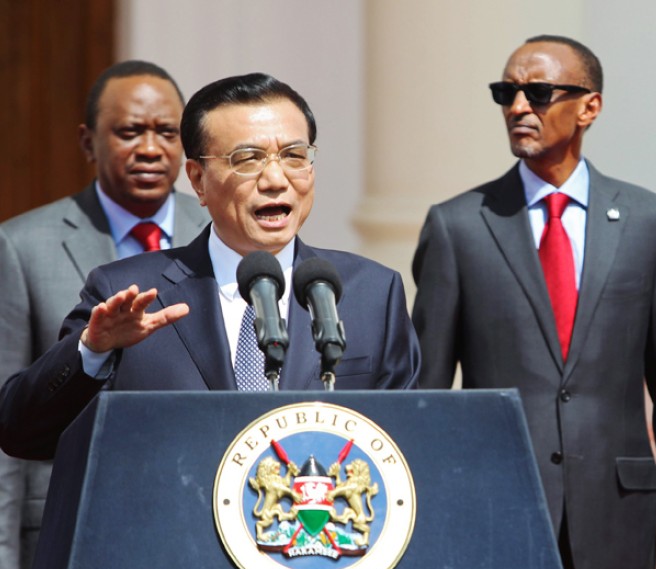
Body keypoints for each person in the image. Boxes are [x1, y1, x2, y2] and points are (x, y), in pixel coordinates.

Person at [412, 35, 656, 569]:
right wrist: (431, 541)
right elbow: (425, 405)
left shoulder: (651, 222)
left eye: (538, 93)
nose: (518, 106)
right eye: (506, 93)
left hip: (618, 532)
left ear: (589, 107)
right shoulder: (458, 226)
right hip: (496, 529)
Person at [0, 72, 420, 461]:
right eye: (248, 159)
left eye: (294, 155)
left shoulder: (371, 293)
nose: (276, 179)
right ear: (198, 180)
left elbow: (408, 445)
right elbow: (21, 432)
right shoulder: (129, 293)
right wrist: (93, 351)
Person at [0, 60, 207, 569]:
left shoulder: (221, 237)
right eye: (128, 132)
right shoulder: (22, 246)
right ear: (89, 141)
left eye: (167, 132)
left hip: (198, 565)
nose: (150, 148)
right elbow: (4, 428)